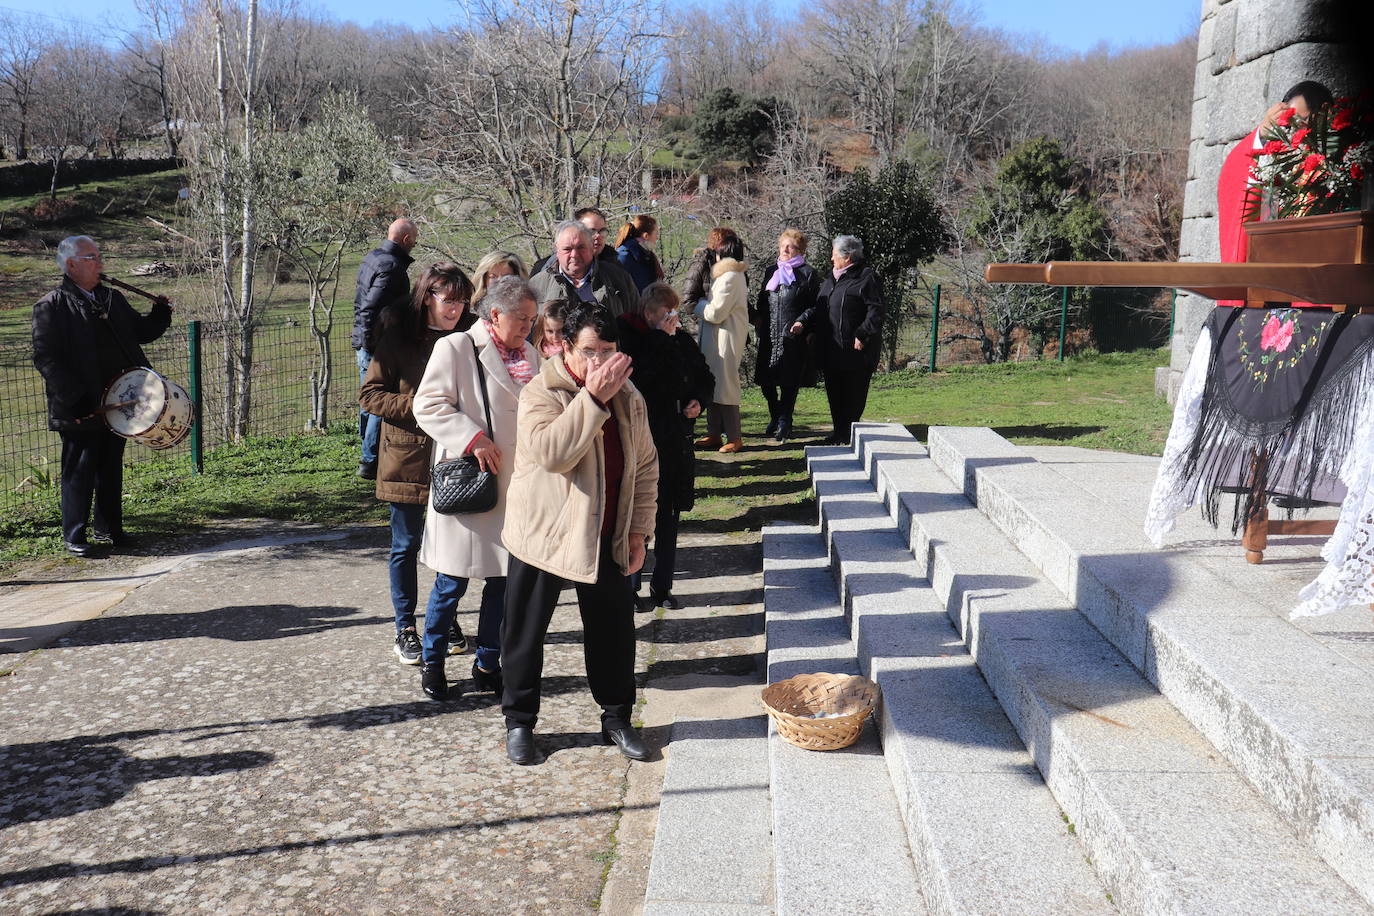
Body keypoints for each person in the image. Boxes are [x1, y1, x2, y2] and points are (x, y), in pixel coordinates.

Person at [498, 303, 659, 766]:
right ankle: (520, 723)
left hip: (607, 532)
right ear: (563, 346)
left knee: (613, 631)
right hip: (542, 536)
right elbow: (552, 453)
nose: (600, 362)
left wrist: (638, 533)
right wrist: (590, 400)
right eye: (590, 351)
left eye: (609, 351)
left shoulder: (629, 396)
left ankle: (617, 717)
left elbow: (646, 468)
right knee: (525, 635)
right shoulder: (540, 393)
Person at [412, 275, 542, 701]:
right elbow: (427, 404)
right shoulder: (456, 348)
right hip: (471, 480)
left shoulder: (531, 354)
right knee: (451, 582)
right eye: (520, 319)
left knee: (502, 584)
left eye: (532, 319)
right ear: (496, 313)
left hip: (515, 486)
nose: (527, 327)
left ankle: (488, 661)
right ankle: (433, 662)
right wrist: (473, 438)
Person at [359, 262, 473, 674]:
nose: (456, 309)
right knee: (406, 546)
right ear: (427, 297)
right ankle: (405, 624)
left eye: (462, 301)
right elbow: (370, 395)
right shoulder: (399, 337)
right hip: (406, 456)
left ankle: (444, 618)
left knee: (452, 546)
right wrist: (423, 409)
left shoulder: (471, 335)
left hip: (458, 457)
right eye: (449, 300)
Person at [32, 235, 172, 557]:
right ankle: (75, 536)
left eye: (99, 256)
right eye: (91, 257)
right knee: (79, 468)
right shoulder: (50, 306)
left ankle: (110, 529)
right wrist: (75, 398)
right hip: (79, 404)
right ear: (70, 265)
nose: (100, 263)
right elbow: (45, 358)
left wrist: (159, 315)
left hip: (119, 400)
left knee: (110, 465)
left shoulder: (112, 299)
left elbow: (140, 333)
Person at [617, 282, 714, 611]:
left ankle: (663, 586)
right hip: (642, 437)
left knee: (669, 516)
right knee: (637, 516)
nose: (673, 319)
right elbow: (645, 377)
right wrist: (661, 338)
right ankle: (630, 587)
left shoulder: (681, 340)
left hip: (674, 439)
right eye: (666, 314)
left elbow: (703, 376)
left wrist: (699, 401)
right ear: (649, 313)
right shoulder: (632, 339)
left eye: (674, 313)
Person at [1216, 80, 1335, 308]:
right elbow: (1234, 178)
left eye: (1304, 124)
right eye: (1290, 125)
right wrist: (1261, 135)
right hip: (1270, 287)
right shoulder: (1275, 158)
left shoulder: (1340, 163)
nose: (1298, 134)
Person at [792, 235, 884, 446]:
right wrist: (810, 327)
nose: (832, 258)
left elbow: (876, 311)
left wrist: (862, 333)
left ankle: (850, 434)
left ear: (848, 257)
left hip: (855, 350)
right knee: (835, 393)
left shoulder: (866, 278)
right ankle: (838, 432)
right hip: (831, 348)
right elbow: (821, 308)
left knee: (853, 395)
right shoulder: (830, 280)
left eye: (835, 254)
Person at [353, 218, 419, 480]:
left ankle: (366, 453)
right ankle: (370, 460)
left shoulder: (373, 257)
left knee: (367, 401)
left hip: (365, 340)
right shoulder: (392, 268)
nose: (415, 243)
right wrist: (372, 344)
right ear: (405, 239)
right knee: (381, 401)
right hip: (377, 345)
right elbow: (371, 307)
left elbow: (361, 302)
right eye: (414, 239)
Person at [753, 229, 820, 444]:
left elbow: (815, 305)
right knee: (766, 380)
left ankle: (785, 421)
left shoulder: (808, 273)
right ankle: (775, 414)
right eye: (783, 245)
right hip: (770, 334)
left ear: (799, 250)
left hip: (792, 335)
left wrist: (802, 320)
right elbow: (762, 302)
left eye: (790, 246)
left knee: (789, 381)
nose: (785, 249)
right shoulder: (771, 271)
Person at [694, 236, 749, 454]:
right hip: (719, 338)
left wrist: (698, 305)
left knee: (725, 386)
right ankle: (714, 433)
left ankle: (734, 437)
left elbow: (716, 313)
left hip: (724, 339)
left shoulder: (730, 277)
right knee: (714, 385)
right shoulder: (732, 275)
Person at [529, 220, 641, 318]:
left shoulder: (618, 278)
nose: (574, 254)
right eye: (567, 249)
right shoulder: (537, 285)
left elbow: (636, 320)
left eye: (581, 247)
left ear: (592, 247)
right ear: (556, 250)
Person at [615, 214, 664, 293]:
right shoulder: (623, 258)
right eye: (656, 233)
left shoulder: (647, 257)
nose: (657, 238)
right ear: (646, 236)